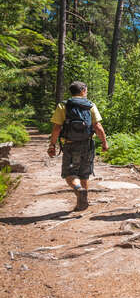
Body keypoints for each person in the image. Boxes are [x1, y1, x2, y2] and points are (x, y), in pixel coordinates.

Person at [48, 81, 109, 211]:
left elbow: (57, 128)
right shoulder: (90, 105)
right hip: (88, 144)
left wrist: (52, 145)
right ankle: (83, 202)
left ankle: (78, 189)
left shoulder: (63, 106)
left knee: (69, 174)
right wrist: (104, 142)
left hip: (70, 145)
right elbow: (97, 126)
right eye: (86, 90)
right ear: (83, 91)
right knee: (84, 174)